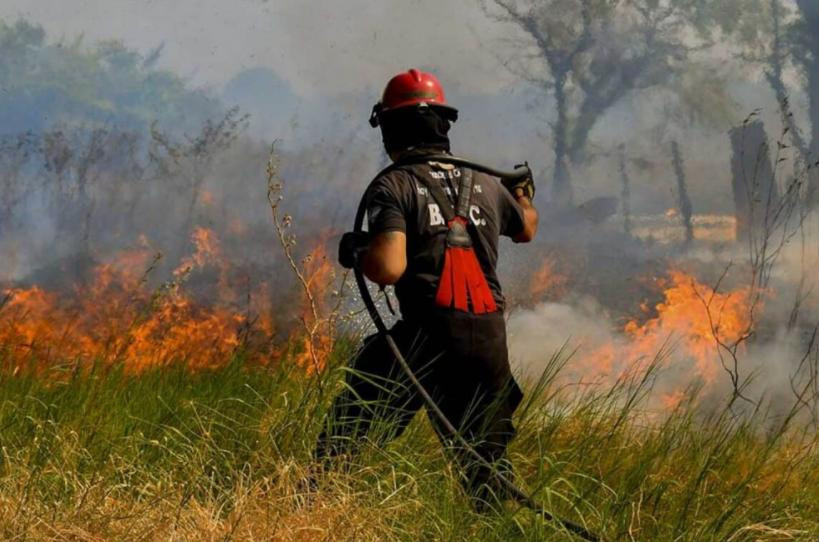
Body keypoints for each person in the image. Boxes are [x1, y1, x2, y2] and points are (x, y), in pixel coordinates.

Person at [314, 68, 538, 510]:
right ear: (443, 124)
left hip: (425, 342)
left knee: (343, 444)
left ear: (391, 128)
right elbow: (526, 228)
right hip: (489, 343)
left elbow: (389, 266)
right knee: (485, 470)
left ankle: (307, 514)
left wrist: (358, 250)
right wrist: (525, 195)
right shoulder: (486, 183)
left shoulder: (393, 185)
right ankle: (495, 528)